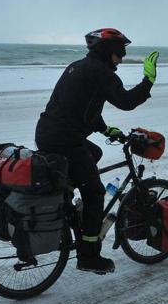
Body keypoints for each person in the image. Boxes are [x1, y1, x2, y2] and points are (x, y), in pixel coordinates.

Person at [35, 28, 158, 274]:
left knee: (95, 154)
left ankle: (68, 202)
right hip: (66, 141)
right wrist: (148, 80)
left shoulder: (78, 66)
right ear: (108, 50)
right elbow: (125, 101)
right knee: (95, 193)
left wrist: (104, 129)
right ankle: (88, 256)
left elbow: (81, 106)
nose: (121, 58)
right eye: (120, 52)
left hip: (46, 134)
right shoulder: (102, 72)